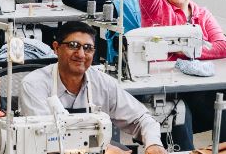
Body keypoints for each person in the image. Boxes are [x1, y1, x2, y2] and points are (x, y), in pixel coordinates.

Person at [135, 0, 226, 150]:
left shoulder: (202, 14)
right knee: (179, 110)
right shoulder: (155, 9)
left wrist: (188, 53)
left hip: (196, 85)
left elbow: (222, 46)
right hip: (165, 83)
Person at [20, 21, 167, 154]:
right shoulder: (34, 84)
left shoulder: (103, 83)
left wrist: (153, 144)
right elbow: (45, 137)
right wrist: (102, 149)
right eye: (73, 46)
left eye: (88, 48)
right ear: (56, 48)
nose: (81, 54)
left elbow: (142, 118)